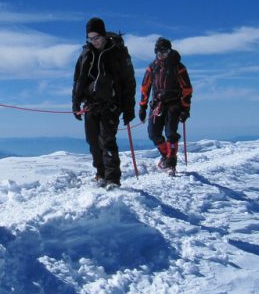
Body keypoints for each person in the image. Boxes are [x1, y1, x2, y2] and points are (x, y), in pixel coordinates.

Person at [72, 17, 136, 188]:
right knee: (93, 141)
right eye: (90, 38)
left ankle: (113, 179)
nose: (94, 42)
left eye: (97, 38)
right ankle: (100, 173)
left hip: (111, 104)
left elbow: (129, 82)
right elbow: (78, 80)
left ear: (104, 35)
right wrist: (75, 103)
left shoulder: (118, 53)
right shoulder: (85, 54)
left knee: (107, 140)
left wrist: (129, 109)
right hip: (91, 104)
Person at [138, 37, 193, 175]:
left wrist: (185, 109)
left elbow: (186, 90)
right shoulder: (152, 67)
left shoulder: (178, 67)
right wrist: (142, 107)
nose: (162, 55)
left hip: (174, 104)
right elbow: (145, 88)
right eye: (159, 52)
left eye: (165, 52)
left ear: (170, 51)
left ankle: (170, 164)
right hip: (157, 105)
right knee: (153, 133)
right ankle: (166, 156)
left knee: (171, 133)